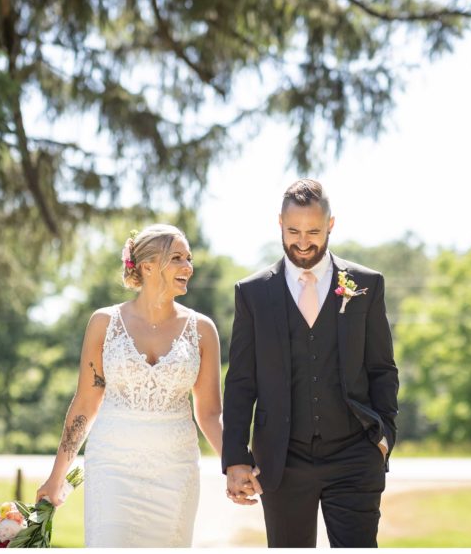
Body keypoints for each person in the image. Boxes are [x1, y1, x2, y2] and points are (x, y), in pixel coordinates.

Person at [36, 224, 253, 547]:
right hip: (111, 467)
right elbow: (85, 403)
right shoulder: (104, 323)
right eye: (177, 258)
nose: (188, 267)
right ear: (148, 266)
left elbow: (209, 413)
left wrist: (235, 464)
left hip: (176, 472)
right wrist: (57, 476)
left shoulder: (202, 330)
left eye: (189, 258)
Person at [222, 179, 399, 547]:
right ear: (279, 224)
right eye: (294, 231)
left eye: (314, 231)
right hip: (282, 461)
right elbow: (241, 381)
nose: (303, 242)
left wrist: (384, 437)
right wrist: (236, 458)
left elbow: (382, 368)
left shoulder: (366, 285)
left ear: (331, 224)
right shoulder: (252, 293)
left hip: (354, 455)